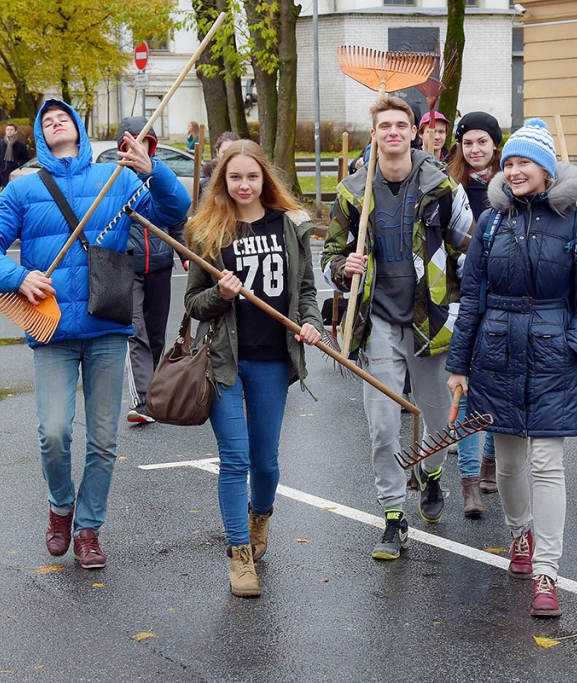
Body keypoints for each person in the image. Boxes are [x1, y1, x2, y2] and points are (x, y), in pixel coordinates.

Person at [0, 100, 191, 569]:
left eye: (62, 117)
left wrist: (156, 172)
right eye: (46, 120)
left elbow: (175, 210)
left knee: (105, 441)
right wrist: (17, 277)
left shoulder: (116, 180)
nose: (55, 123)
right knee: (53, 433)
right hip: (49, 329)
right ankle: (60, 508)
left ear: (79, 128)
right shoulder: (24, 191)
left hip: (106, 324)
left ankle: (89, 529)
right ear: (39, 135)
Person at [446, 118, 577, 618]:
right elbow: (471, 297)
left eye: (524, 163)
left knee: (546, 464)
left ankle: (547, 571)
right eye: (509, 163)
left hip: (552, 357)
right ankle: (520, 535)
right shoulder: (491, 222)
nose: (514, 171)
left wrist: (571, 348)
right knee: (511, 463)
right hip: (495, 355)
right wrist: (459, 364)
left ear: (546, 169)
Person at [321, 95, 473, 560]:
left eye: (400, 124)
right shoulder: (353, 191)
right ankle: (392, 515)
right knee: (383, 427)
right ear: (375, 135)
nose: (392, 132)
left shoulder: (441, 187)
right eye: (384, 125)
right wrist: (341, 268)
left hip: (434, 321)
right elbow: (329, 257)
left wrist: (475, 310)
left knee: (438, 419)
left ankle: (430, 474)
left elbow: (471, 249)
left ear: (414, 132)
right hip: (378, 322)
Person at [184, 140, 323, 598]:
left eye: (252, 177)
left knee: (265, 463)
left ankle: (259, 516)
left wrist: (310, 322)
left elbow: (306, 289)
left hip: (272, 361)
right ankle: (240, 555)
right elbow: (193, 304)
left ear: (266, 179)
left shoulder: (290, 225)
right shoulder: (207, 233)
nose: (244, 185)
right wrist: (219, 296)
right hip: (224, 362)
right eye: (235, 178)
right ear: (222, 182)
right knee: (235, 460)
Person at [443, 110, 504, 517]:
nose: (476, 149)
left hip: (503, 300)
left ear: (495, 145)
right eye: (468, 142)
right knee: (463, 386)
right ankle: (469, 482)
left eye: (483, 141)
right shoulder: (449, 190)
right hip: (463, 298)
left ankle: (489, 461)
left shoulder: (511, 186)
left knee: (497, 385)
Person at [118, 116, 184, 425]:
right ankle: (143, 401)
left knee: (156, 333)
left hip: (159, 263)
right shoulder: (113, 179)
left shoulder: (159, 176)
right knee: (136, 332)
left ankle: (156, 393)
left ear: (151, 145)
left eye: (144, 141)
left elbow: (178, 216)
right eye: (132, 142)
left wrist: (186, 251)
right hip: (125, 265)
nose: (139, 147)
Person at [0, 122, 31, 189]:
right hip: (3, 172)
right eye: (8, 129)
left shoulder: (20, 145)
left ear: (15, 132)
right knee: (4, 190)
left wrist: (18, 163)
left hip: (14, 172)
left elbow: (26, 159)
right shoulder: (1, 143)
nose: (9, 131)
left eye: (11, 129)